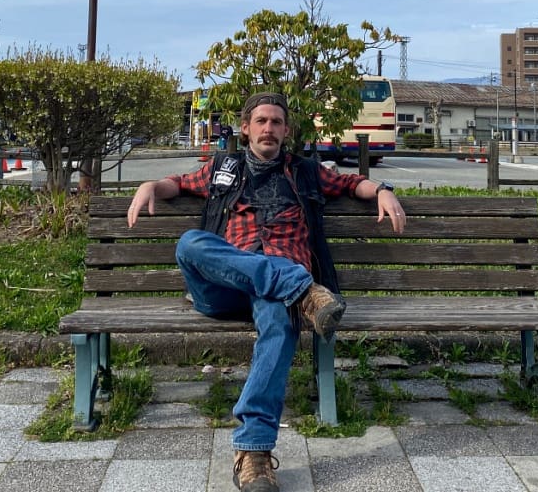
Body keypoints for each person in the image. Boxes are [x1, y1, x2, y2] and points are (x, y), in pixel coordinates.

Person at [127, 92, 405, 492]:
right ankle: (303, 291)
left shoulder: (307, 172)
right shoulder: (223, 168)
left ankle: (254, 451)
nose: (269, 129)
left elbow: (351, 182)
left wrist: (383, 189)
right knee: (190, 243)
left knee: (279, 319)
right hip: (224, 289)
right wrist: (151, 185)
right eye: (261, 121)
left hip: (272, 296)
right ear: (245, 128)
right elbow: (177, 183)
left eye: (276, 122)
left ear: (286, 131)